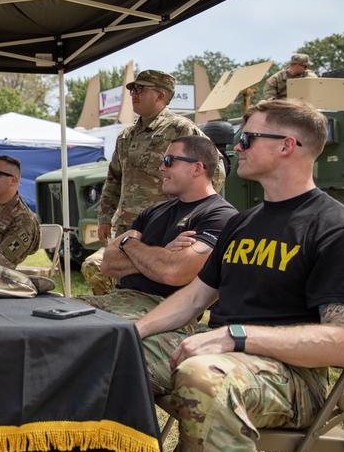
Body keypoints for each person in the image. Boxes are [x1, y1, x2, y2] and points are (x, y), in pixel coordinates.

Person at [135, 99, 344, 452]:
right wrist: (132, 332)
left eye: (247, 138)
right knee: (109, 349)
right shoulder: (242, 223)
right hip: (225, 353)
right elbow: (197, 296)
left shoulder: (340, 232)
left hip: (296, 378)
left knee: (204, 375)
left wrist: (237, 337)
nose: (236, 147)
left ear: (286, 145)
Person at [84, 69, 225, 295]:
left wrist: (188, 210)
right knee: (111, 278)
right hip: (128, 227)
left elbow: (213, 170)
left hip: (161, 228)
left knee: (153, 282)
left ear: (160, 95)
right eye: (132, 90)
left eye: (140, 89)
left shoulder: (181, 129)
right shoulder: (126, 135)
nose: (133, 94)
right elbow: (114, 179)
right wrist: (104, 218)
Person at [82, 136, 237, 322]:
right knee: (52, 317)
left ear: (197, 168)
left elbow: (172, 273)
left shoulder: (220, 216)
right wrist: (162, 254)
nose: (161, 168)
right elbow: (108, 264)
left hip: (163, 311)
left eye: (169, 161)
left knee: (86, 334)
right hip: (117, 299)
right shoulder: (154, 211)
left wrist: (129, 245)